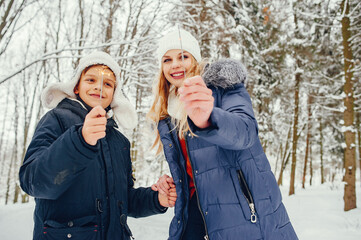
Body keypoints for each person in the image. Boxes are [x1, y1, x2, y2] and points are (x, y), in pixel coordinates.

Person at [148, 28, 299, 240]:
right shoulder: (167, 113)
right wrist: (174, 183)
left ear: (196, 59)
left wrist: (208, 119)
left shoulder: (223, 88)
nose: (175, 65)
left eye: (183, 56)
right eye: (167, 59)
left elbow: (246, 132)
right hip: (194, 216)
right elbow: (196, 170)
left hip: (244, 216)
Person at [19, 51, 176, 240]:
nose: (98, 87)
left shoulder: (120, 142)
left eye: (107, 84)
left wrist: (156, 199)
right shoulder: (56, 120)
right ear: (76, 86)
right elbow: (32, 181)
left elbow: (123, 200)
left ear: (114, 94)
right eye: (91, 80)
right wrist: (80, 140)